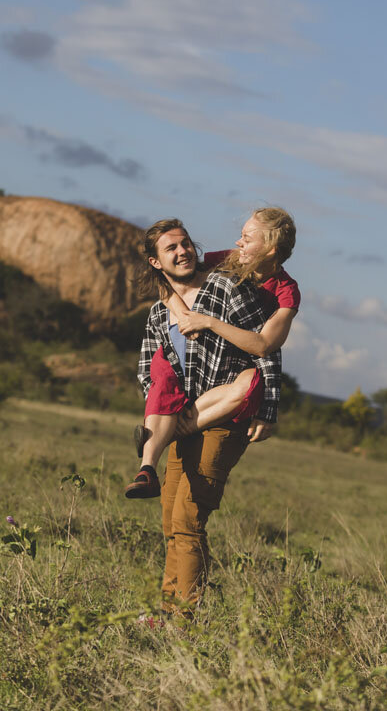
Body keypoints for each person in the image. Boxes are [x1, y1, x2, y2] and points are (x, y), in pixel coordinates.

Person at [133, 218, 282, 618]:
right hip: (186, 417)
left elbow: (265, 347)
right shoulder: (158, 315)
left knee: (189, 519)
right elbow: (147, 371)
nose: (183, 252)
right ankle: (165, 612)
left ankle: (186, 619)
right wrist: (163, 408)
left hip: (226, 418)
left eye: (186, 244)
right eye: (171, 249)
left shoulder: (227, 287)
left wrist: (268, 410)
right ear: (155, 262)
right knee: (170, 519)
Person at [125, 207, 299, 499]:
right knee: (161, 370)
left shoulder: (286, 291)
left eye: (246, 237)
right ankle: (153, 458)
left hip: (232, 379)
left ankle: (171, 432)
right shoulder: (226, 261)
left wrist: (268, 412)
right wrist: (183, 315)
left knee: (249, 380)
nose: (238, 242)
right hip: (202, 368)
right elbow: (170, 279)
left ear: (270, 249)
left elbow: (265, 347)